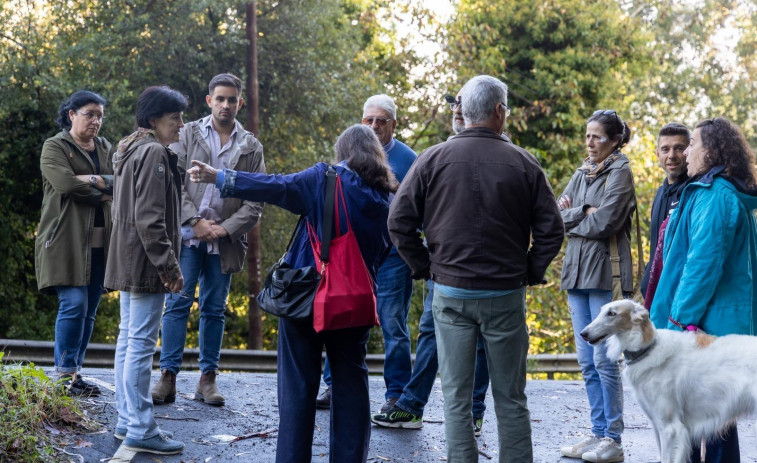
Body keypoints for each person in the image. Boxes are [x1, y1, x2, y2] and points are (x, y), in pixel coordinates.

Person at [188, 124, 397, 463]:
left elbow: (276, 186)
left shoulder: (325, 179)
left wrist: (221, 177)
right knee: (352, 383)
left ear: (342, 152)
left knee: (298, 386)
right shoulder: (386, 196)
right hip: (356, 302)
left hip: (307, 297)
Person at [388, 75, 564, 463]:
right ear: (500, 112)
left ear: (465, 113)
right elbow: (552, 231)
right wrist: (530, 270)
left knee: (455, 396)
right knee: (511, 398)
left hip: (450, 292)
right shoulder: (524, 162)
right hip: (504, 293)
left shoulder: (432, 159)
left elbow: (398, 222)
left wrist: (426, 267)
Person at [371, 92, 491, 435]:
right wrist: (422, 262)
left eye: (463, 107)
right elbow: (408, 215)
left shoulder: (507, 154)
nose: (457, 111)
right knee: (430, 333)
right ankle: (410, 407)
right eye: (454, 106)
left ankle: (473, 412)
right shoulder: (437, 155)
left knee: (480, 339)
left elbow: (540, 221)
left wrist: (528, 268)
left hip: (490, 268)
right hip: (444, 263)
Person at [151, 73, 265, 407]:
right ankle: (167, 378)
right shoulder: (187, 133)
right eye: (220, 99)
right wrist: (195, 221)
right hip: (188, 237)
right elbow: (173, 182)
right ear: (209, 101)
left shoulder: (251, 146)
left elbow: (255, 201)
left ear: (239, 103)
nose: (226, 105)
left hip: (224, 242)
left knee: (215, 310)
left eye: (232, 99)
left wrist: (223, 228)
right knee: (177, 304)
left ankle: (207, 381)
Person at [650, 117, 757, 463]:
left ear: (710, 150)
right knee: (709, 426)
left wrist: (679, 324)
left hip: (705, 330)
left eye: (692, 143)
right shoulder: (710, 191)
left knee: (710, 430)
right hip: (710, 326)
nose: (686, 151)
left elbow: (702, 268)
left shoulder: (715, 196)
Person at [317, 94, 417, 413]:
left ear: (393, 124)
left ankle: (397, 393)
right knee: (342, 319)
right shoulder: (351, 154)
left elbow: (418, 209)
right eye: (368, 120)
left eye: (381, 120)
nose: (374, 126)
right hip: (353, 256)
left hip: (392, 258)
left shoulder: (409, 160)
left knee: (392, 323)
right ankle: (334, 387)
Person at [105, 86, 188, 455]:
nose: (182, 125)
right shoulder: (153, 151)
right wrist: (169, 267)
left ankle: (127, 419)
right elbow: (151, 220)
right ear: (154, 120)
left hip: (128, 255)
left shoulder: (128, 147)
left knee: (128, 339)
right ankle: (140, 425)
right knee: (139, 344)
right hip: (146, 260)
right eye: (176, 118)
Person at [557, 110, 636, 463]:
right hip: (576, 275)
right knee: (587, 362)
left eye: (597, 137)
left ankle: (613, 439)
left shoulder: (621, 172)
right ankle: (597, 431)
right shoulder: (581, 171)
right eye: (587, 136)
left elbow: (606, 221)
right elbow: (554, 214)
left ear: (614, 140)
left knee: (605, 361)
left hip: (606, 275)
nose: (589, 143)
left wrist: (584, 214)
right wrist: (580, 212)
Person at [36, 90, 114, 396]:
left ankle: (75, 375)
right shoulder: (55, 146)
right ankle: (64, 374)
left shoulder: (106, 146)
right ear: (72, 114)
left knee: (90, 308)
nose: (96, 121)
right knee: (74, 303)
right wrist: (102, 186)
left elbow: (121, 179)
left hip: (100, 242)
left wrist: (91, 179)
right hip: (64, 240)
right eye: (90, 114)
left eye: (99, 116)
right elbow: (65, 184)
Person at [639, 122, 690, 301]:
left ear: (689, 151)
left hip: (678, 296)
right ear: (657, 154)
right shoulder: (660, 193)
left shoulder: (693, 192)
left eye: (679, 148)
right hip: (653, 295)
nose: (671, 155)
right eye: (665, 149)